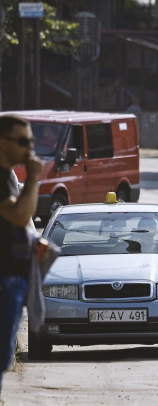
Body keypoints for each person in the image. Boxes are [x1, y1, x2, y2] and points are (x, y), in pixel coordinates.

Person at [0, 115, 42, 396]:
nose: (30, 148)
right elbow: (19, 214)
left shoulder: (8, 177)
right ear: (3, 143)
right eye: (23, 141)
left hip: (12, 278)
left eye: (32, 141)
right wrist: (35, 176)